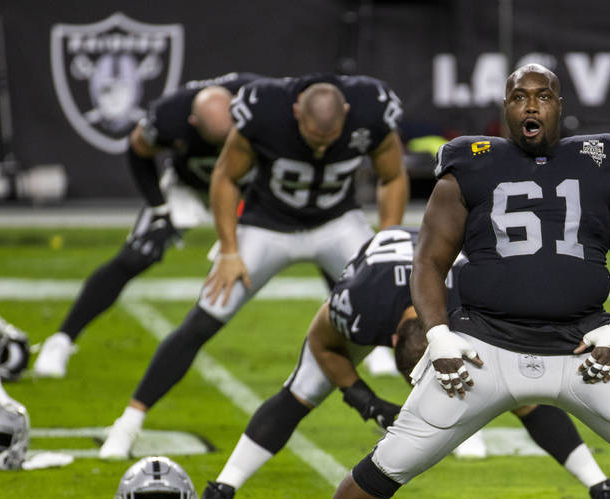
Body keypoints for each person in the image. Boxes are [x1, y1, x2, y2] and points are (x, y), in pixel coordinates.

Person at [252, 63, 610, 499]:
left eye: (543, 96)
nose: (530, 106)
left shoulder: (604, 160)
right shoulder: (470, 161)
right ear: (504, 106)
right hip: (482, 348)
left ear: (560, 105)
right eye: (518, 97)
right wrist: (437, 334)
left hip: (584, 348)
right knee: (388, 462)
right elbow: (429, 260)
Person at [195, 226, 610, 499]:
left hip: (444, 312)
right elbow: (323, 344)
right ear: (391, 342)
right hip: (382, 284)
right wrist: (362, 398)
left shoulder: (471, 304)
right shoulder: (361, 304)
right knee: (301, 391)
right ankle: (222, 490)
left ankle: (601, 487)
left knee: (523, 395)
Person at [98, 72, 409, 459]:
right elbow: (225, 178)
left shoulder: (370, 106)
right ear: (297, 113)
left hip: (337, 224)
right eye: (314, 137)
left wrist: (389, 236)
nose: (320, 148)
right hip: (267, 226)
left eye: (331, 140)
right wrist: (229, 251)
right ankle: (128, 423)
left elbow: (392, 175)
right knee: (203, 319)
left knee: (406, 309)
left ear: (347, 113)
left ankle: (456, 422)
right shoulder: (265, 108)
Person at [33, 72, 258, 378]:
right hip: (190, 186)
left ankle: (341, 326)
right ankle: (61, 340)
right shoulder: (169, 116)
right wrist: (160, 209)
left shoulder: (261, 98)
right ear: (192, 123)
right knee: (137, 255)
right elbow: (138, 150)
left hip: (250, 186)